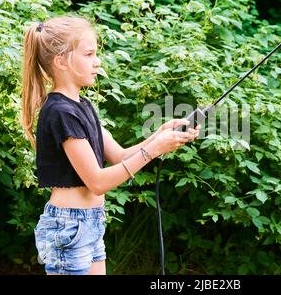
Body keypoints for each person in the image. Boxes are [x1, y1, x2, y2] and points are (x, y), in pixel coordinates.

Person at [21, 15, 200, 275]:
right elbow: (97, 181)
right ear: (61, 61)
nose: (97, 62)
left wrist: (160, 135)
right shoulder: (60, 112)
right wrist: (155, 149)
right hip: (69, 225)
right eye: (89, 54)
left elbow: (119, 155)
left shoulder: (82, 106)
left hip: (92, 222)